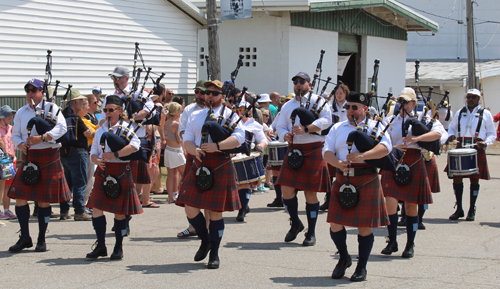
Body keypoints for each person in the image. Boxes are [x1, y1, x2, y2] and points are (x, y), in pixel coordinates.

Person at [176, 79, 244, 269]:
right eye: (207, 93)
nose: (210, 96)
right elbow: (187, 139)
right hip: (199, 162)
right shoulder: (195, 115)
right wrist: (194, 150)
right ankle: (205, 240)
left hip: (220, 162)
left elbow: (239, 138)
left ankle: (214, 253)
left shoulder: (231, 115)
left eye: (215, 93)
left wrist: (218, 146)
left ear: (222, 96)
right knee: (189, 206)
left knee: (215, 212)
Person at [323, 91, 391, 282]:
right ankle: (344, 258)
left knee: (364, 226)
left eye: (355, 107)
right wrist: (338, 163)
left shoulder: (375, 127)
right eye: (348, 107)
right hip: (343, 177)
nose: (350, 110)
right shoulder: (337, 127)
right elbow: (326, 151)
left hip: (367, 179)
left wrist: (363, 156)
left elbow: (386, 148)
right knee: (335, 223)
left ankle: (362, 266)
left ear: (365, 109)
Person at [8, 78, 71, 252]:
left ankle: (41, 239)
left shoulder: (52, 108)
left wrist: (42, 138)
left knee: (43, 201)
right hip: (30, 157)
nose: (30, 93)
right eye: (27, 90)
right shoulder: (21, 112)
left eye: (34, 90)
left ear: (41, 92)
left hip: (48, 156)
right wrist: (20, 145)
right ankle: (25, 237)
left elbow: (62, 129)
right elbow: (15, 135)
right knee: (20, 198)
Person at [380, 87, 444, 258]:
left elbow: (438, 134)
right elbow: (380, 138)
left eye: (406, 102)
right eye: (400, 101)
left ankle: (410, 244)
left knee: (410, 206)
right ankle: (392, 241)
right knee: (390, 203)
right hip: (394, 160)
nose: (402, 104)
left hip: (414, 161)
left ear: (414, 103)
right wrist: (393, 147)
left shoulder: (424, 118)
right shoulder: (390, 119)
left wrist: (416, 138)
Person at [275, 72, 332, 246]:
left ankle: (311, 232)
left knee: (310, 193)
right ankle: (295, 223)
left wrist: (306, 129)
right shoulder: (287, 105)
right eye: (296, 82)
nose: (298, 85)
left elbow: (327, 121)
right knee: (286, 190)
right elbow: (279, 126)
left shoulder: (319, 102)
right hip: (294, 149)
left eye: (302, 82)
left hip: (314, 149)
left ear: (309, 84)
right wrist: (285, 136)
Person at [86, 95, 143, 260]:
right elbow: (93, 152)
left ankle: (118, 247)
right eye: (105, 110)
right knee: (96, 208)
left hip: (121, 170)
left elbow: (135, 146)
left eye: (111, 110)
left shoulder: (127, 127)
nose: (107, 113)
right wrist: (97, 159)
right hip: (104, 171)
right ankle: (101, 245)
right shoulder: (101, 130)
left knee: (119, 212)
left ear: (119, 111)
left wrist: (115, 154)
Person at [446, 88, 496, 221]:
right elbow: (452, 127)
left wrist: (486, 143)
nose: (470, 99)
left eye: (473, 97)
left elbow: (492, 133)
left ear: (478, 99)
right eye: (468, 97)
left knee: (474, 178)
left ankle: (471, 209)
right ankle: (459, 208)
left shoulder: (485, 114)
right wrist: (450, 135)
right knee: (457, 177)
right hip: (461, 145)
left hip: (476, 147)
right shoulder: (459, 112)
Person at [176, 80, 206, 238]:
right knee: (189, 192)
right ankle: (193, 226)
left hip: (211, 155)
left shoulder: (216, 110)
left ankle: (208, 227)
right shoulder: (188, 109)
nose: (199, 95)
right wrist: (191, 145)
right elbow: (182, 131)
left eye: (202, 92)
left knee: (209, 193)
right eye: (197, 92)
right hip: (193, 154)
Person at [59, 89, 93, 221]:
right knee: (80, 182)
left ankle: (64, 210)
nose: (83, 103)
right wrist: (90, 130)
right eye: (81, 101)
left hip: (64, 152)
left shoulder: (62, 116)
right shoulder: (76, 117)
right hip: (77, 152)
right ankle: (79, 211)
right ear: (75, 102)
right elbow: (87, 134)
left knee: (67, 183)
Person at [235, 101, 269, 222]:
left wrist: (261, 145)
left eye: (246, 108)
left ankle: (242, 209)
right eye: (240, 108)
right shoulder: (232, 121)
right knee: (236, 184)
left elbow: (264, 140)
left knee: (245, 183)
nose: (243, 111)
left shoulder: (256, 125)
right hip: (232, 155)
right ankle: (244, 204)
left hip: (247, 155)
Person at [320, 83, 350, 211]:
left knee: (343, 170)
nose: (338, 95)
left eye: (341, 93)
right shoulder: (329, 106)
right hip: (332, 139)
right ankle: (329, 198)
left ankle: (344, 196)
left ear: (345, 94)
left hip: (345, 139)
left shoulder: (349, 106)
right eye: (337, 93)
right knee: (330, 173)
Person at [163, 102, 185, 204]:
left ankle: (170, 197)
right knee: (185, 174)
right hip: (176, 151)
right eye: (179, 111)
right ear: (176, 112)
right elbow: (179, 139)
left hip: (168, 150)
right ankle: (183, 195)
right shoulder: (176, 124)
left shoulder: (166, 122)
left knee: (170, 174)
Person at [79, 96, 97, 211]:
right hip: (85, 150)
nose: (88, 107)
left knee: (91, 178)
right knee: (87, 179)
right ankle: (83, 203)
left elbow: (94, 130)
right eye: (86, 105)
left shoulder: (85, 119)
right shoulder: (81, 119)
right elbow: (91, 133)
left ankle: (85, 202)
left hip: (90, 151)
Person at [0, 105, 17, 220]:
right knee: (0, 186)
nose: (11, 117)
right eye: (9, 114)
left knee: (8, 186)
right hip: (2, 161)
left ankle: (6, 209)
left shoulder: (11, 128)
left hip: (11, 161)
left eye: (12, 114)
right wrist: (6, 152)